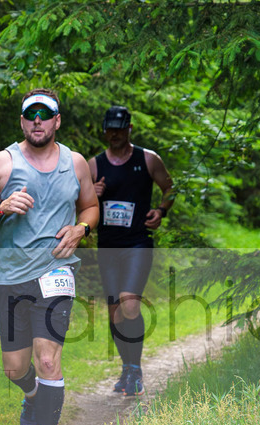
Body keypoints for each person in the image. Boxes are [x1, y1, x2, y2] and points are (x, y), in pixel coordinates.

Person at [0, 88, 99, 425]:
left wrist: (81, 228)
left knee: (48, 359)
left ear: (57, 120)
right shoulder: (3, 162)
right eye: (32, 115)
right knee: (15, 368)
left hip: (57, 272)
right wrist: (0, 207)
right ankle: (32, 397)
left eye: (46, 115)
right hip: (11, 275)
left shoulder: (75, 163)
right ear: (23, 121)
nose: (38, 121)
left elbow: (90, 206)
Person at [88, 106, 175, 397]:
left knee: (129, 303)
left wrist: (161, 211)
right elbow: (79, 204)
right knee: (115, 312)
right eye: (110, 129)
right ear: (105, 130)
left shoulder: (148, 159)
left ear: (129, 128)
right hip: (108, 246)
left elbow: (169, 188)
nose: (115, 134)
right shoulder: (94, 165)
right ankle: (127, 366)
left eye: (120, 129)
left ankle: (135, 369)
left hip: (138, 242)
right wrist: (92, 194)